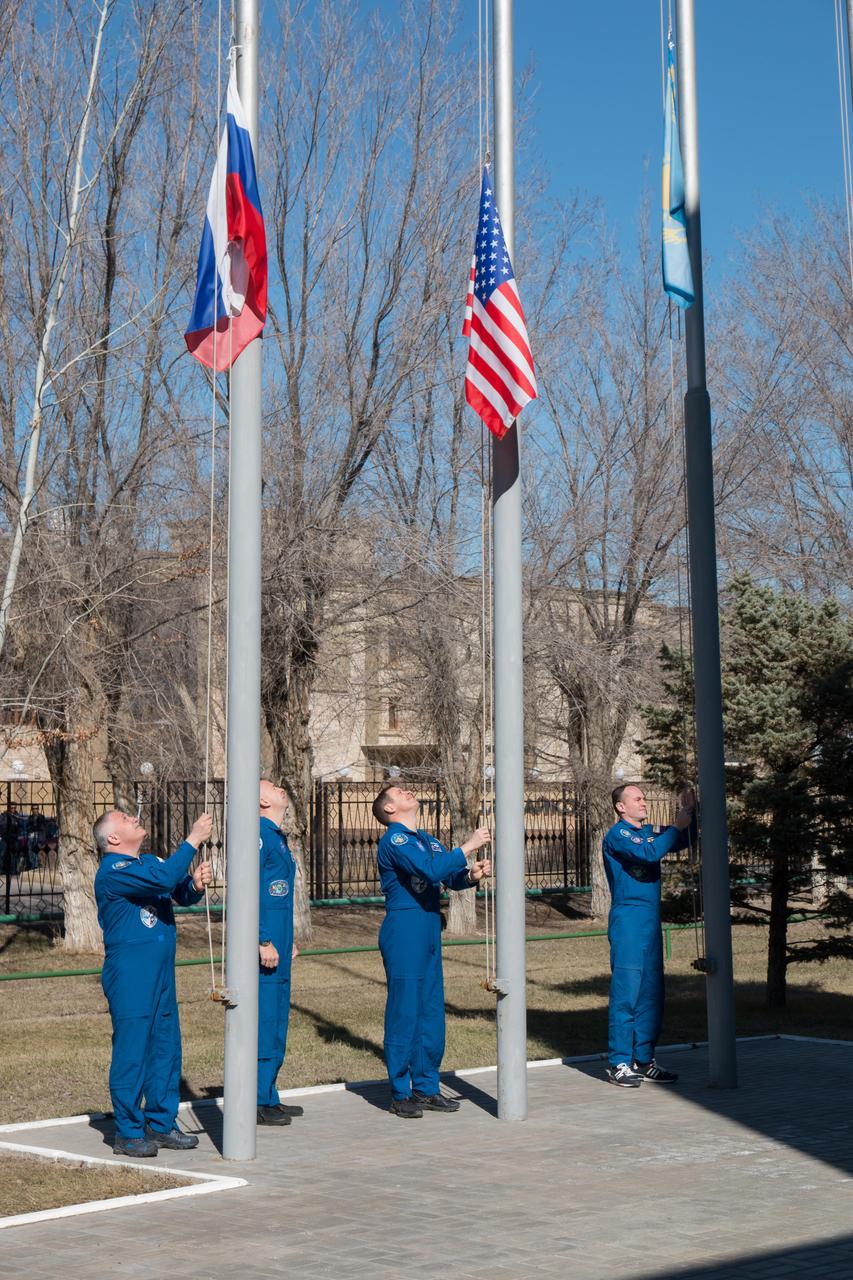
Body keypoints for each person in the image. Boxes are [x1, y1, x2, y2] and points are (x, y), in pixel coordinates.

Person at [93, 808, 213, 1156]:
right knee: (133, 1052)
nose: (134, 818)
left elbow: (177, 890)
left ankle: (160, 1124)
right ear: (114, 838)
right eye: (125, 819)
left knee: (166, 1048)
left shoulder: (148, 862)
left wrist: (194, 884)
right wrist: (193, 839)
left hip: (161, 974)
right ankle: (128, 1132)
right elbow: (163, 881)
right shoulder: (113, 871)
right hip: (131, 973)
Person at [373, 782, 491, 1118]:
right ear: (390, 809)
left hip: (428, 927)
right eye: (399, 793)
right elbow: (429, 870)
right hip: (405, 927)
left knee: (430, 1012)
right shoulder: (395, 839)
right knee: (405, 1011)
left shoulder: (427, 839)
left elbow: (449, 875)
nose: (408, 792)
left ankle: (426, 1087)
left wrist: (471, 874)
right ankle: (400, 1092)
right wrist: (469, 845)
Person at [602, 783, 696, 1088]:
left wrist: (692, 812)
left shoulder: (650, 831)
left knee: (651, 993)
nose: (644, 803)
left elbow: (685, 839)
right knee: (627, 991)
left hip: (650, 921)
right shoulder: (619, 835)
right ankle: (619, 1061)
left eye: (643, 798)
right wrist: (677, 826)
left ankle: (644, 1059)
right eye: (637, 799)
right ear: (621, 807)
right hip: (628, 920)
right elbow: (650, 853)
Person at [256, 778, 301, 1127]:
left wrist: (287, 939)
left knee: (277, 1019)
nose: (278, 787)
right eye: (269, 786)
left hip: (279, 940)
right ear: (259, 801)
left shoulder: (276, 835)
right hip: (266, 943)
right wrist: (261, 938)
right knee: (264, 1018)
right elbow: (249, 889)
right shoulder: (257, 833)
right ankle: (256, 1097)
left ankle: (270, 1092)